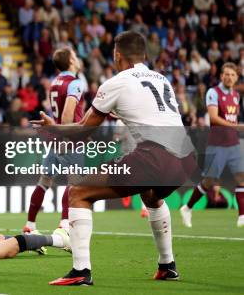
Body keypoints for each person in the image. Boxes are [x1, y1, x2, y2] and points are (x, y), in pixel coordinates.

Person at [33, 31, 196, 285]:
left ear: (117, 55)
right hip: (186, 159)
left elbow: (83, 131)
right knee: (151, 195)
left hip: (155, 157)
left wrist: (53, 127)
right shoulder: (162, 79)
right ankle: (167, 265)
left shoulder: (116, 82)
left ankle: (80, 272)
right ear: (143, 55)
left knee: (79, 191)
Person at [24, 47, 85, 233]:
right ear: (72, 61)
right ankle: (65, 224)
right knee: (73, 182)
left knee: (44, 182)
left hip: (54, 138)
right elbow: (67, 117)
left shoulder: (54, 82)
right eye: (74, 55)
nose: (77, 58)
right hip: (69, 137)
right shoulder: (75, 83)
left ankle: (30, 225)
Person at [180, 62, 243, 228]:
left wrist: (235, 128)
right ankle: (187, 208)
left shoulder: (236, 95)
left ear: (236, 78)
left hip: (233, 143)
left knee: (242, 178)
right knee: (209, 182)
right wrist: (236, 126)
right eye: (226, 74)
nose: (229, 77)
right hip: (217, 143)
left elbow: (232, 118)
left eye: (232, 75)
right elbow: (214, 118)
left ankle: (242, 216)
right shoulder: (213, 92)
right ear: (221, 76)